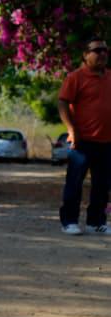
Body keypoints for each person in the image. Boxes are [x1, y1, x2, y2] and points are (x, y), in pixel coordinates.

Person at [58, 38, 111, 236]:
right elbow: (62, 103)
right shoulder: (76, 77)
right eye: (97, 50)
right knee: (74, 183)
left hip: (106, 142)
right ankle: (69, 221)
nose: (102, 54)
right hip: (82, 142)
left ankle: (96, 222)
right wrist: (71, 130)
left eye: (105, 50)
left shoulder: (110, 77)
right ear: (85, 55)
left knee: (103, 186)